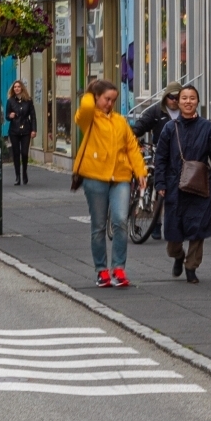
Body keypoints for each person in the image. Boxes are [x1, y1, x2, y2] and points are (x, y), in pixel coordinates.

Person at [70, 79, 146, 289]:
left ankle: (118, 267)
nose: (110, 104)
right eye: (106, 99)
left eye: (113, 100)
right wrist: (90, 91)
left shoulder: (120, 121)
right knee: (98, 225)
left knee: (121, 220)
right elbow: (84, 108)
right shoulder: (89, 118)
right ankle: (101, 270)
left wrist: (140, 171)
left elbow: (132, 146)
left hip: (120, 177)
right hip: (94, 177)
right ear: (96, 98)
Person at [151, 84, 211, 282]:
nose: (188, 102)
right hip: (175, 185)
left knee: (197, 228)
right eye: (184, 98)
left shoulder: (206, 127)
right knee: (173, 234)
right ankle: (179, 256)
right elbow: (161, 158)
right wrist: (160, 184)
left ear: (197, 102)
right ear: (178, 101)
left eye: (192, 98)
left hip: (200, 186)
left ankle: (191, 267)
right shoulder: (169, 128)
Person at [4, 81, 37, 186]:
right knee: (16, 153)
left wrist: (33, 130)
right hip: (14, 130)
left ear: (22, 88)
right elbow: (6, 116)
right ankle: (17, 176)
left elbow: (33, 116)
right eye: (15, 87)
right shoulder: (10, 101)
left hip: (26, 129)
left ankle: (24, 173)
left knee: (24, 152)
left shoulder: (28, 101)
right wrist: (10, 116)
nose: (16, 88)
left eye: (18, 87)